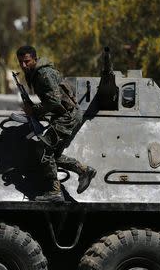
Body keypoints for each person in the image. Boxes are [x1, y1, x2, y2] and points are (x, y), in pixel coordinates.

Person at [16, 45, 97, 202]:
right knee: (53, 155)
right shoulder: (35, 73)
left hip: (67, 116)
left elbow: (54, 101)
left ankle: (54, 192)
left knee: (43, 149)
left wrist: (34, 110)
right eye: (20, 62)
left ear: (34, 58)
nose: (24, 65)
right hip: (65, 114)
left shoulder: (43, 74)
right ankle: (84, 171)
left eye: (26, 61)